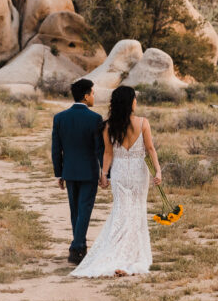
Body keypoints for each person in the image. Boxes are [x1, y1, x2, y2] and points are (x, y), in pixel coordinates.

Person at [71, 85, 161, 278]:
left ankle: (115, 254)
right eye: (135, 99)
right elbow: (151, 149)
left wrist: (104, 174)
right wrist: (158, 171)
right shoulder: (143, 123)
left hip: (119, 172)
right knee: (136, 211)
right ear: (131, 102)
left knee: (121, 211)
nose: (136, 102)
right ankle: (130, 256)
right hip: (138, 173)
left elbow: (108, 153)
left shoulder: (108, 126)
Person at [51, 78, 105, 265]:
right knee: (85, 210)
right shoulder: (95, 118)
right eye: (92, 93)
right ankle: (76, 247)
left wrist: (59, 173)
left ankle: (79, 246)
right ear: (85, 96)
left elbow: (56, 148)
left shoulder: (59, 118)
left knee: (75, 211)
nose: (93, 96)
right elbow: (100, 149)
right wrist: (105, 172)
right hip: (89, 172)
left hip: (70, 171)